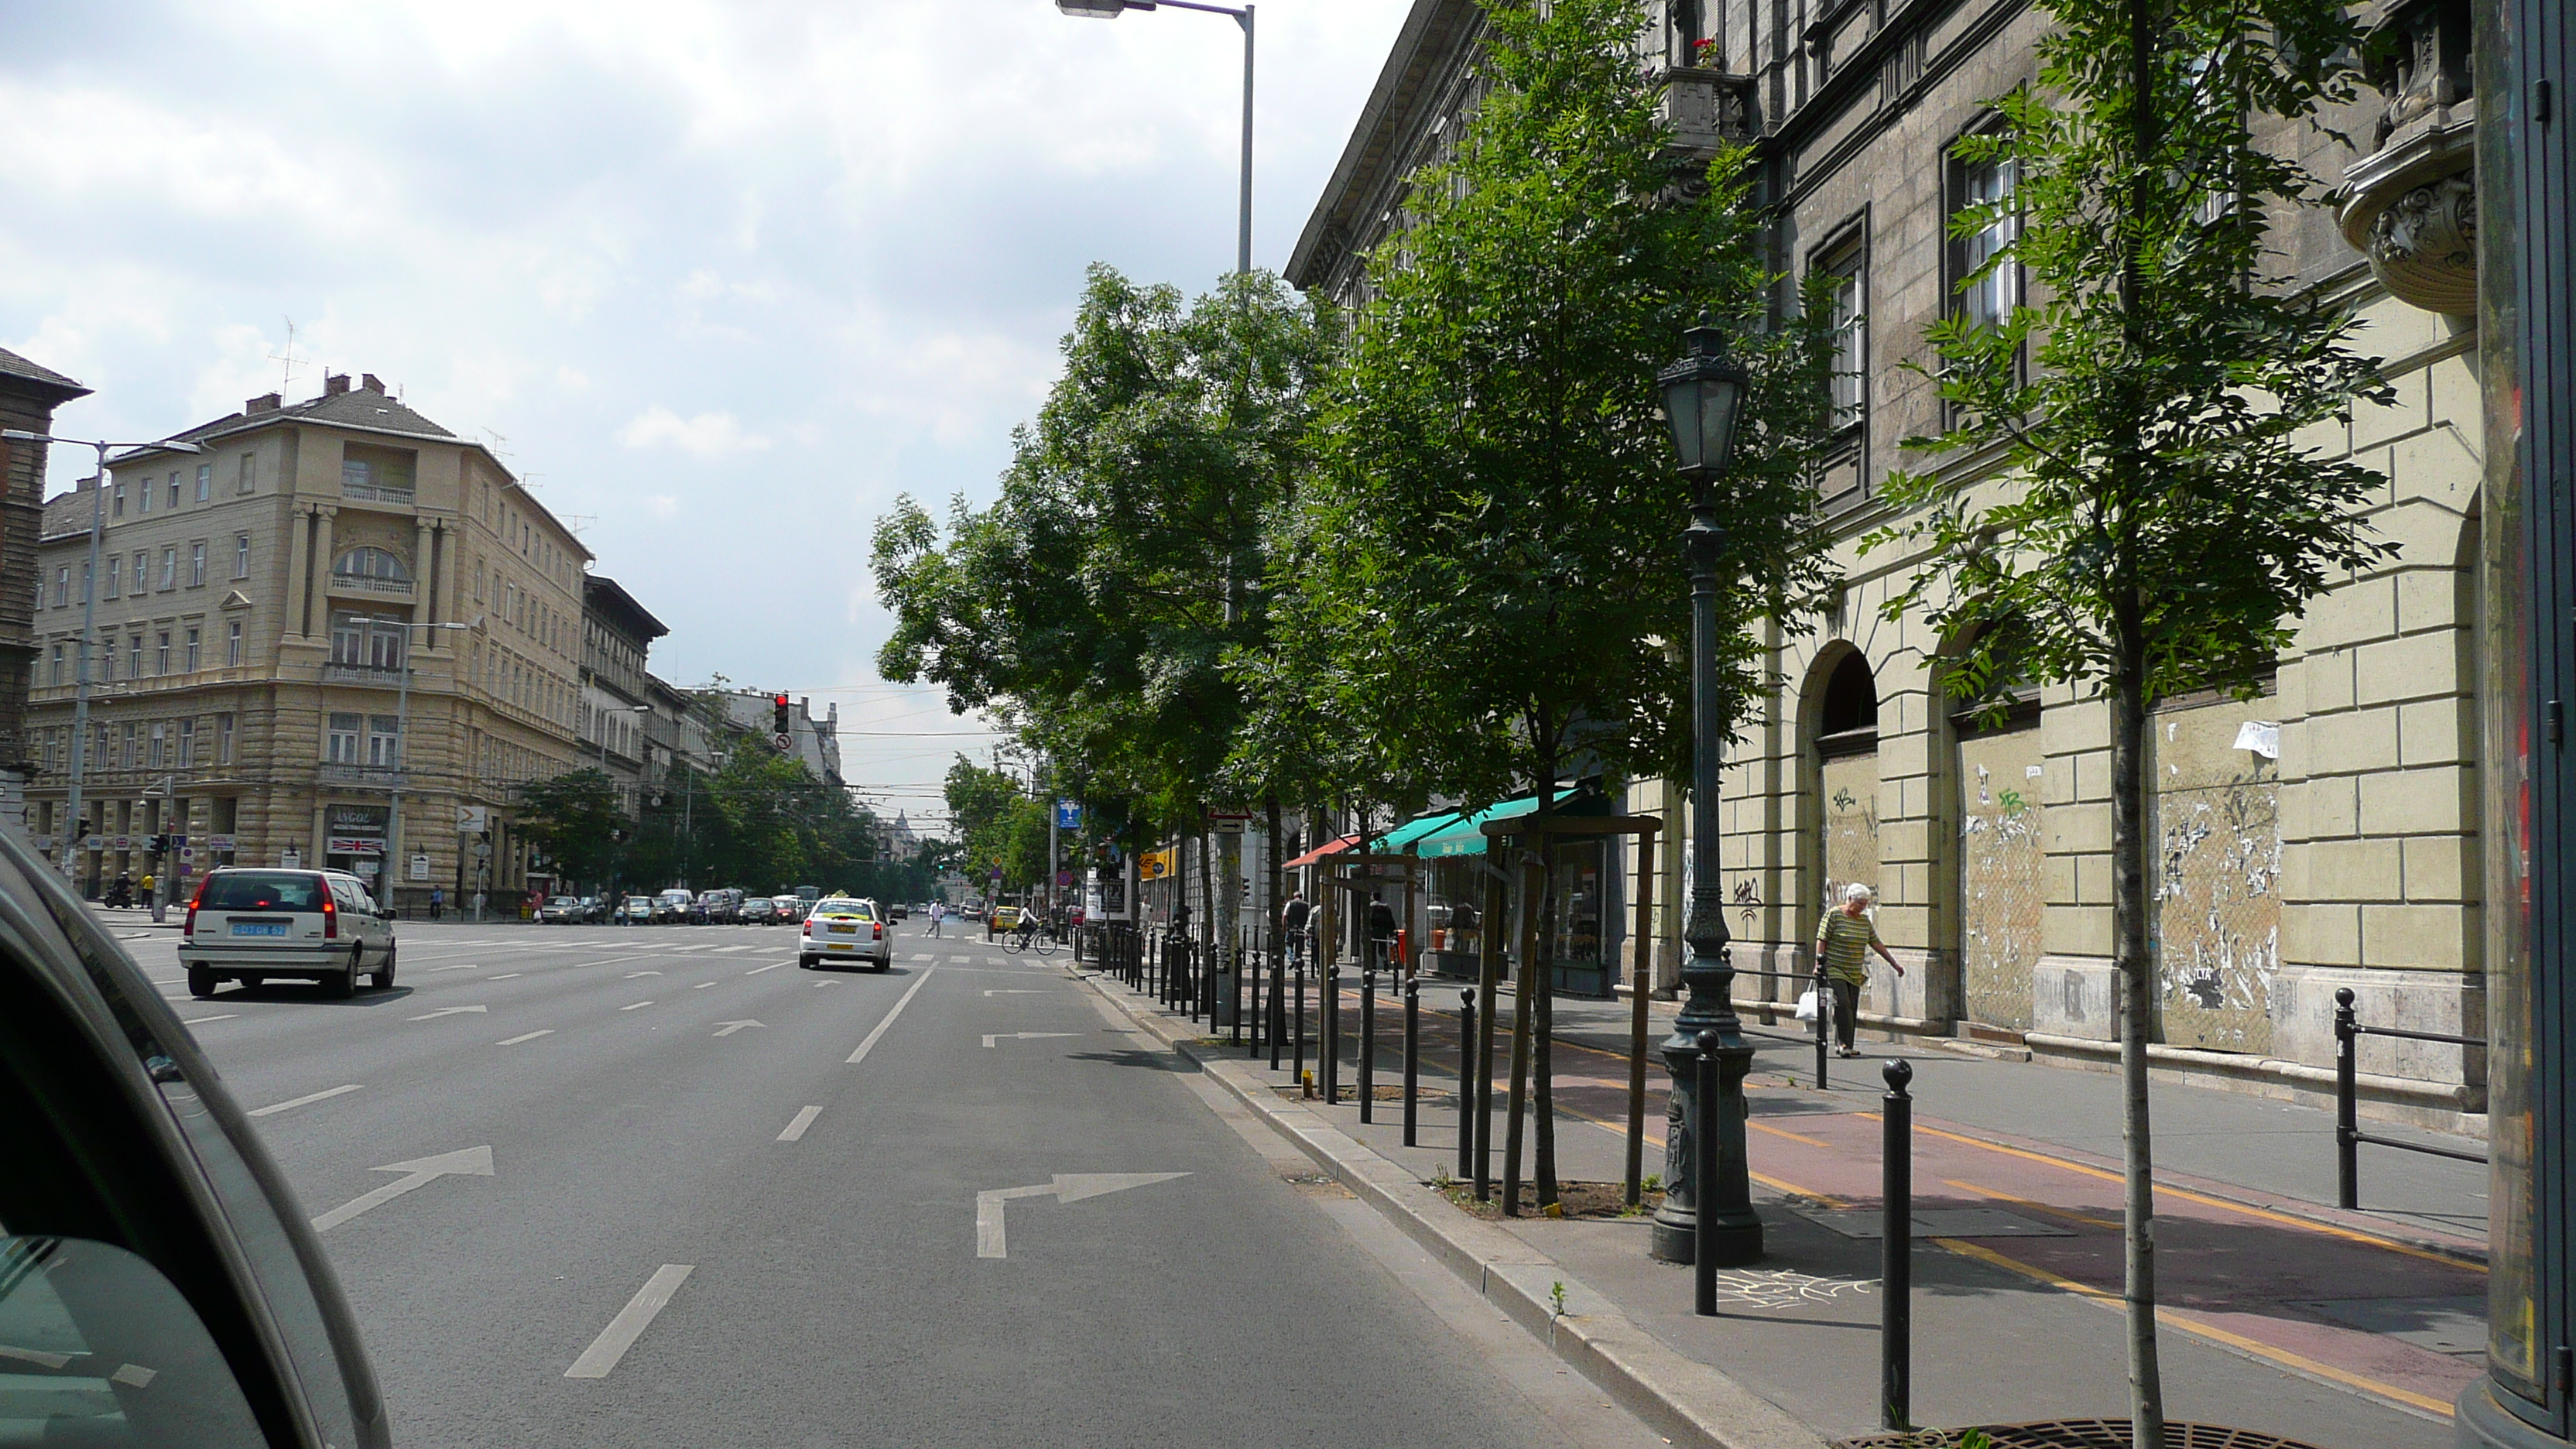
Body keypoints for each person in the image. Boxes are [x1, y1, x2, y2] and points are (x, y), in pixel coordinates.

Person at [1816, 882, 1904, 1058]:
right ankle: (1842, 1044)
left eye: (1865, 904)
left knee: (1851, 1008)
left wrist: (1894, 963)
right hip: (1834, 967)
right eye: (1860, 903)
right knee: (1843, 1003)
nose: (1863, 908)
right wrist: (1819, 964)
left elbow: (1875, 943)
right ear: (1849, 899)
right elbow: (1822, 939)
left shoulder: (1864, 921)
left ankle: (1846, 1044)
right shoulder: (1833, 915)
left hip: (1854, 970)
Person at [1280, 890, 1311, 966]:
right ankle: (1298, 962)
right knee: (1299, 946)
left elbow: (1285, 916)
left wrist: (1284, 927)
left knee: (1287, 944)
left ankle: (1292, 958)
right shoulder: (1307, 905)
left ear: (1294, 897)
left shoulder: (1290, 903)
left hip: (1291, 928)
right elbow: (1309, 918)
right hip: (1301, 929)